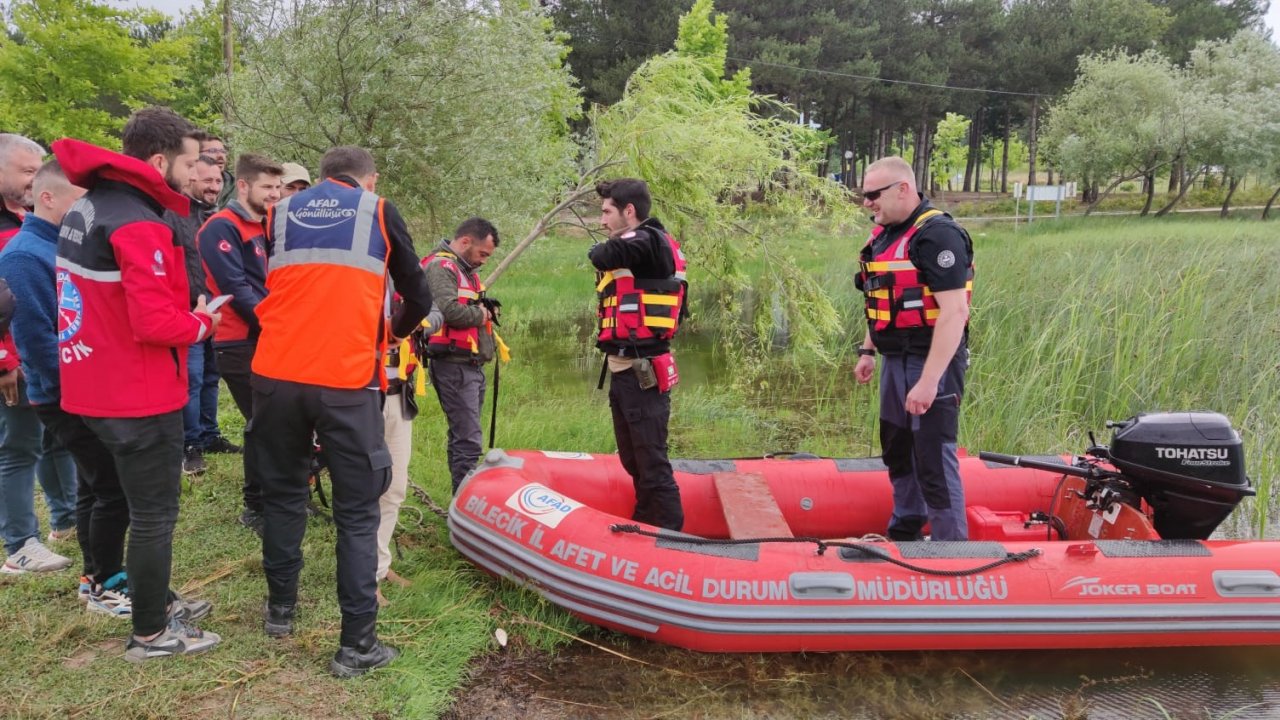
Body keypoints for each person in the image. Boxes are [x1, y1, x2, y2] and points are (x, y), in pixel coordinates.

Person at [249, 145, 431, 677]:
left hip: (276, 375)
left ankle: (280, 611)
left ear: (324, 176)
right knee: (356, 513)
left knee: (283, 495)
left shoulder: (278, 212)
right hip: (346, 381)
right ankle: (357, 646)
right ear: (368, 179)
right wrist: (393, 331)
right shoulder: (377, 209)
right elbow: (417, 294)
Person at [54, 106, 222, 660]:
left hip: (89, 386)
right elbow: (152, 324)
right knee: (154, 514)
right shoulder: (139, 220)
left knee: (112, 498)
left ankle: (128, 590)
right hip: (137, 394)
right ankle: (151, 632)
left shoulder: (88, 204)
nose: (197, 172)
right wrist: (201, 322)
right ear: (159, 160)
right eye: (191, 161)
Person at [2, 159, 132, 610]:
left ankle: (93, 577)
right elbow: (39, 343)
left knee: (95, 486)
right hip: (65, 395)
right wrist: (89, 389)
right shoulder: (23, 256)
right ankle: (108, 586)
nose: (88, 211)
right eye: (81, 201)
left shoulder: (65, 246)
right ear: (48, 197)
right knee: (113, 487)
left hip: (84, 387)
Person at [853, 156, 974, 542]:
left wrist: (928, 382)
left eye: (873, 194)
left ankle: (950, 549)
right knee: (897, 446)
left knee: (933, 456)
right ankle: (906, 529)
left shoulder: (937, 234)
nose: (867, 203)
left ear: (903, 189)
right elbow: (884, 300)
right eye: (864, 195)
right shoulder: (884, 235)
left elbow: (954, 312)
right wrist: (868, 350)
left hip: (931, 360)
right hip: (893, 358)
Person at [589, 179, 686, 531]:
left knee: (652, 462)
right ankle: (645, 520)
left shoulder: (648, 241)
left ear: (629, 211)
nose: (602, 221)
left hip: (642, 371)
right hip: (626, 370)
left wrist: (607, 244)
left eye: (606, 212)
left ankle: (671, 536)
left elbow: (602, 255)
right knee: (634, 460)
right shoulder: (648, 245)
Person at [0, 150, 79, 575]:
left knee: (53, 443)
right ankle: (20, 544)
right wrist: (4, 360)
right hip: (14, 363)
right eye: (26, 171)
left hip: (41, 362)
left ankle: (65, 519)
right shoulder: (18, 242)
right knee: (17, 449)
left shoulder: (27, 225)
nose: (33, 180)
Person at [198, 153, 282, 533]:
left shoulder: (266, 224)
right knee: (261, 425)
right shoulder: (221, 227)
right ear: (244, 185)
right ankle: (255, 507)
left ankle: (286, 497)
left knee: (279, 423)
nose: (275, 194)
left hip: (271, 336)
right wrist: (277, 325)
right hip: (239, 341)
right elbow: (237, 287)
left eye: (278, 187)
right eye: (268, 187)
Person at [423, 218, 499, 494]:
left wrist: (485, 310)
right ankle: (466, 504)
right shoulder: (440, 266)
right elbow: (449, 311)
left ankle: (461, 500)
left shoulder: (464, 270)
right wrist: (481, 314)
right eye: (483, 254)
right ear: (466, 242)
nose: (484, 261)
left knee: (464, 437)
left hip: (471, 365)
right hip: (453, 365)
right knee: (468, 440)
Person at [375, 300, 441, 605]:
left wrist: (417, 318)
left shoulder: (407, 274)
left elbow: (438, 312)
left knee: (396, 488)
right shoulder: (360, 274)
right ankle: (365, 577)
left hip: (399, 394)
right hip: (363, 395)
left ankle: (380, 565)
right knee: (365, 490)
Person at [175, 154, 230, 477]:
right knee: (192, 379)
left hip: (214, 308)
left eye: (218, 181)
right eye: (207, 180)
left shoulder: (215, 216)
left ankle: (210, 435)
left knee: (211, 375)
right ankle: (189, 445)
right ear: (191, 178)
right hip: (186, 311)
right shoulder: (175, 213)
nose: (213, 186)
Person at [196, 133, 236, 209]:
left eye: (223, 151)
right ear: (197, 154)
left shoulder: (237, 187)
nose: (220, 156)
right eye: (212, 151)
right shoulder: (184, 184)